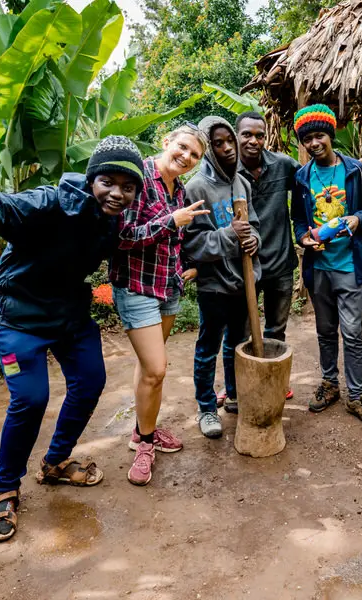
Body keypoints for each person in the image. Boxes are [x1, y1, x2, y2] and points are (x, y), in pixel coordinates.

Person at [0, 136, 144, 542]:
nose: (118, 193)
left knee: (90, 382)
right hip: (17, 316)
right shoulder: (52, 201)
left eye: (128, 186)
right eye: (108, 181)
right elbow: (7, 208)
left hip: (68, 314)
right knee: (31, 398)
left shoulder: (112, 219)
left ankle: (55, 463)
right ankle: (5, 488)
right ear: (91, 179)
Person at [111, 125, 208, 486]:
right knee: (156, 369)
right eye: (182, 147)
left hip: (168, 287)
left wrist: (187, 267)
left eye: (194, 155)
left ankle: (142, 430)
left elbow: (175, 242)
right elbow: (122, 236)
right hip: (136, 287)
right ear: (166, 141)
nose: (186, 157)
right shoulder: (137, 178)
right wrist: (170, 220)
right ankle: (146, 445)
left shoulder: (179, 190)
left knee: (148, 368)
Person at [291, 104, 362, 427]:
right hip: (318, 268)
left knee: (353, 333)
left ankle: (356, 396)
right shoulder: (301, 177)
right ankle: (330, 384)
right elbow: (299, 220)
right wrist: (304, 238)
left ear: (330, 135)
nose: (314, 143)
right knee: (325, 330)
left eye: (319, 136)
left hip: (349, 264)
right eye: (308, 139)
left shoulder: (355, 171)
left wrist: (359, 218)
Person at [182, 116, 261, 439]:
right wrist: (230, 234)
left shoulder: (241, 182)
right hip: (214, 284)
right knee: (208, 347)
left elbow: (252, 222)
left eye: (230, 141)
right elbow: (193, 245)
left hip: (242, 281)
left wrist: (253, 238)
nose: (228, 148)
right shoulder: (196, 188)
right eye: (218, 143)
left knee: (236, 344)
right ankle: (206, 407)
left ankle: (233, 395)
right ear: (208, 148)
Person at [235, 111, 300, 401]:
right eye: (247, 134)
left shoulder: (283, 164)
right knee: (241, 331)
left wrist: (348, 171)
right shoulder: (228, 172)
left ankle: (277, 379)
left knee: (277, 329)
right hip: (244, 266)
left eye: (259, 135)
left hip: (281, 264)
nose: (253, 140)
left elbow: (313, 179)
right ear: (237, 136)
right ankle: (240, 386)